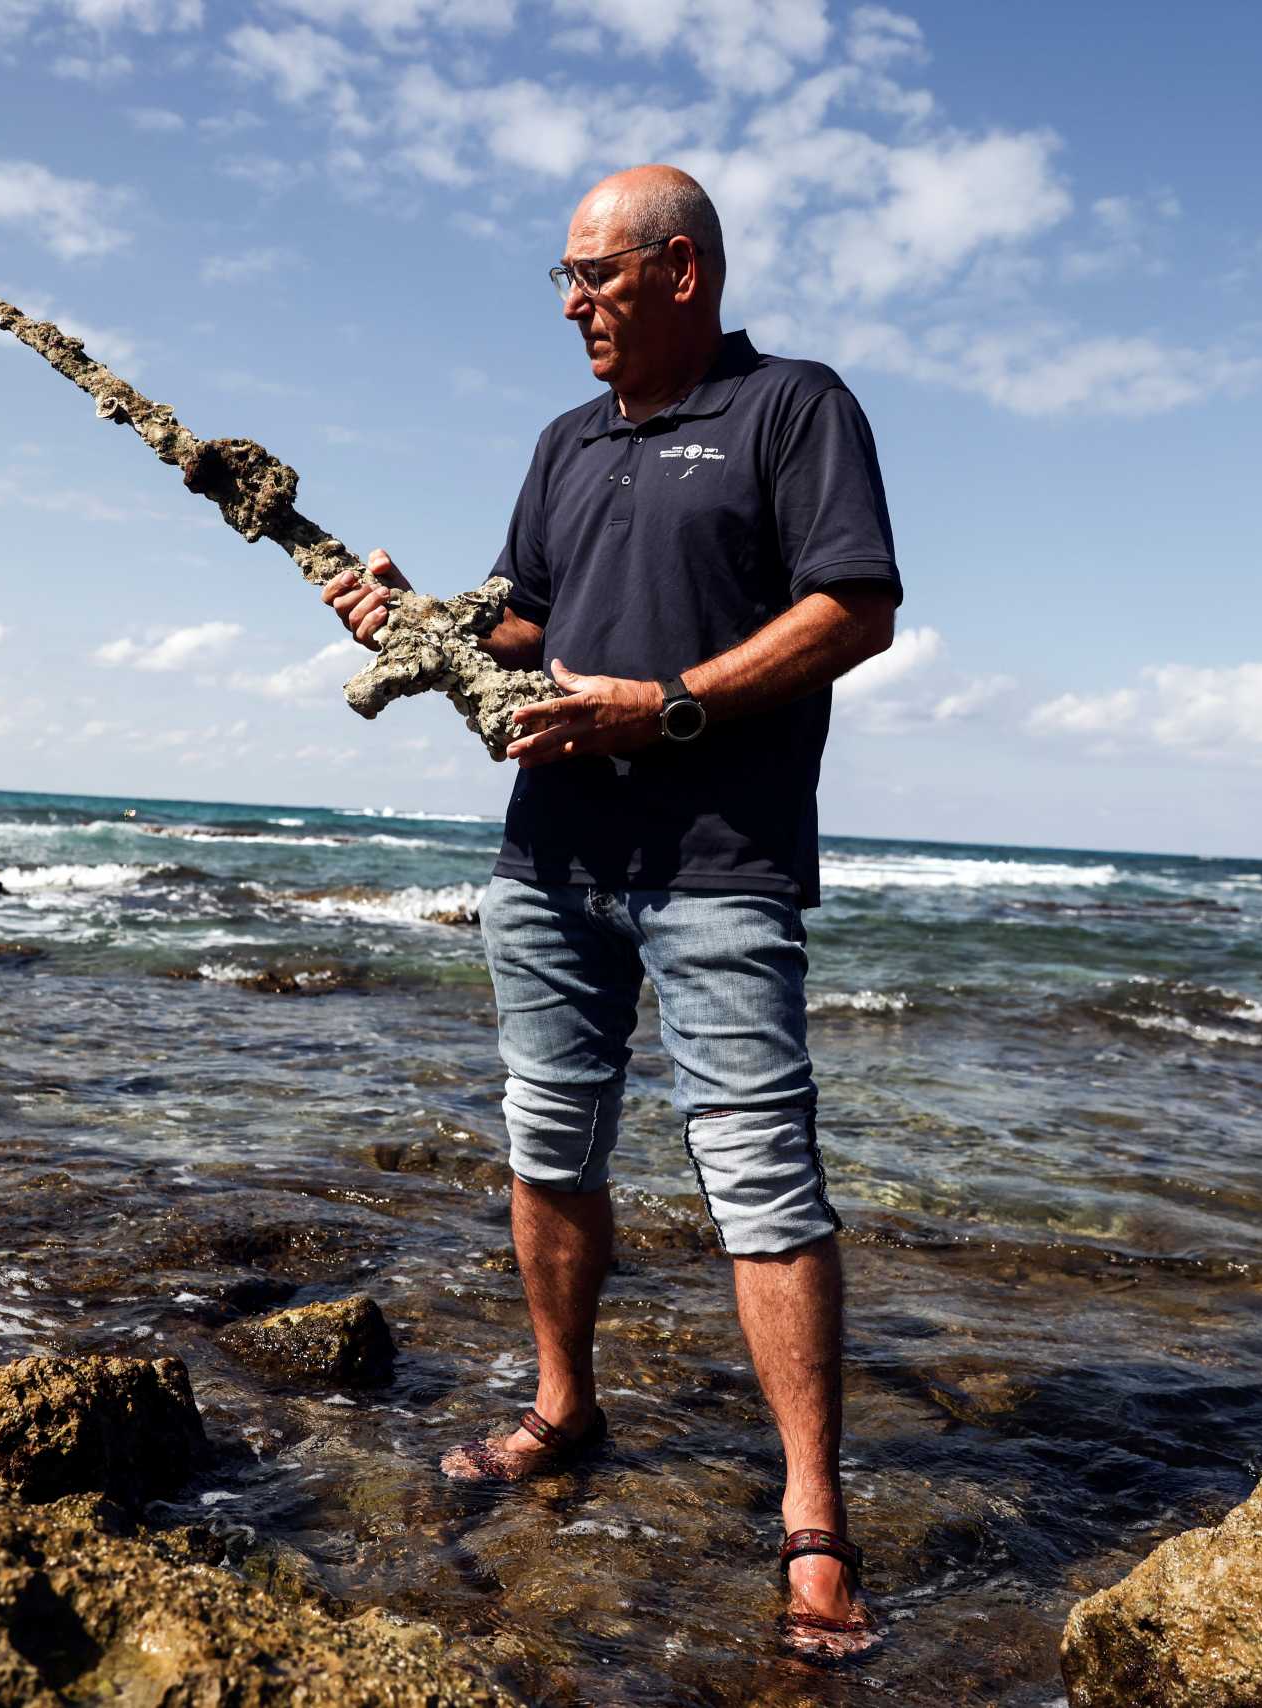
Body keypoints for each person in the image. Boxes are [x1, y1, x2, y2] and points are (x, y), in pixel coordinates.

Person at [324, 163, 901, 1660]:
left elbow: (856, 604)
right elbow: (524, 618)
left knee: (762, 1178)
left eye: (593, 276)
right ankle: (565, 1408)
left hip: (723, 864)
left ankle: (815, 1518)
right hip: (551, 862)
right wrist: (419, 615)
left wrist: (671, 709)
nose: (572, 303)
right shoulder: (565, 441)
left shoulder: (795, 409)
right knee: (547, 1140)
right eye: (566, 281)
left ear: (683, 272)